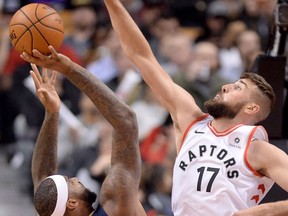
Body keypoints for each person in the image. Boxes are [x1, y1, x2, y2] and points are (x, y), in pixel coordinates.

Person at [102, 0, 288, 215]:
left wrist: (261, 212)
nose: (226, 86)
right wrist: (113, 3)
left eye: (238, 87)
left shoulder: (258, 148)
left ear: (251, 108)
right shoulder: (191, 121)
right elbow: (142, 57)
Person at [21, 46, 146, 215]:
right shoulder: (116, 204)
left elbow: (43, 177)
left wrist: (52, 112)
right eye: (70, 182)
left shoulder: (52, 211)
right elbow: (126, 120)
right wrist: (69, 69)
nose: (74, 178)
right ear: (72, 203)